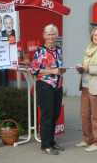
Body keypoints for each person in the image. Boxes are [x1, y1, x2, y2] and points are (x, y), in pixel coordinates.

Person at [31, 24, 66, 155]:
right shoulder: (40, 51)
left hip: (58, 86)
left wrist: (62, 70)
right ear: (44, 36)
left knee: (56, 114)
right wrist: (52, 71)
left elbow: (59, 66)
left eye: (53, 34)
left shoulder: (59, 50)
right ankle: (45, 145)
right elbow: (34, 70)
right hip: (45, 86)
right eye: (49, 34)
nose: (51, 37)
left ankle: (51, 141)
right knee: (47, 115)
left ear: (56, 36)